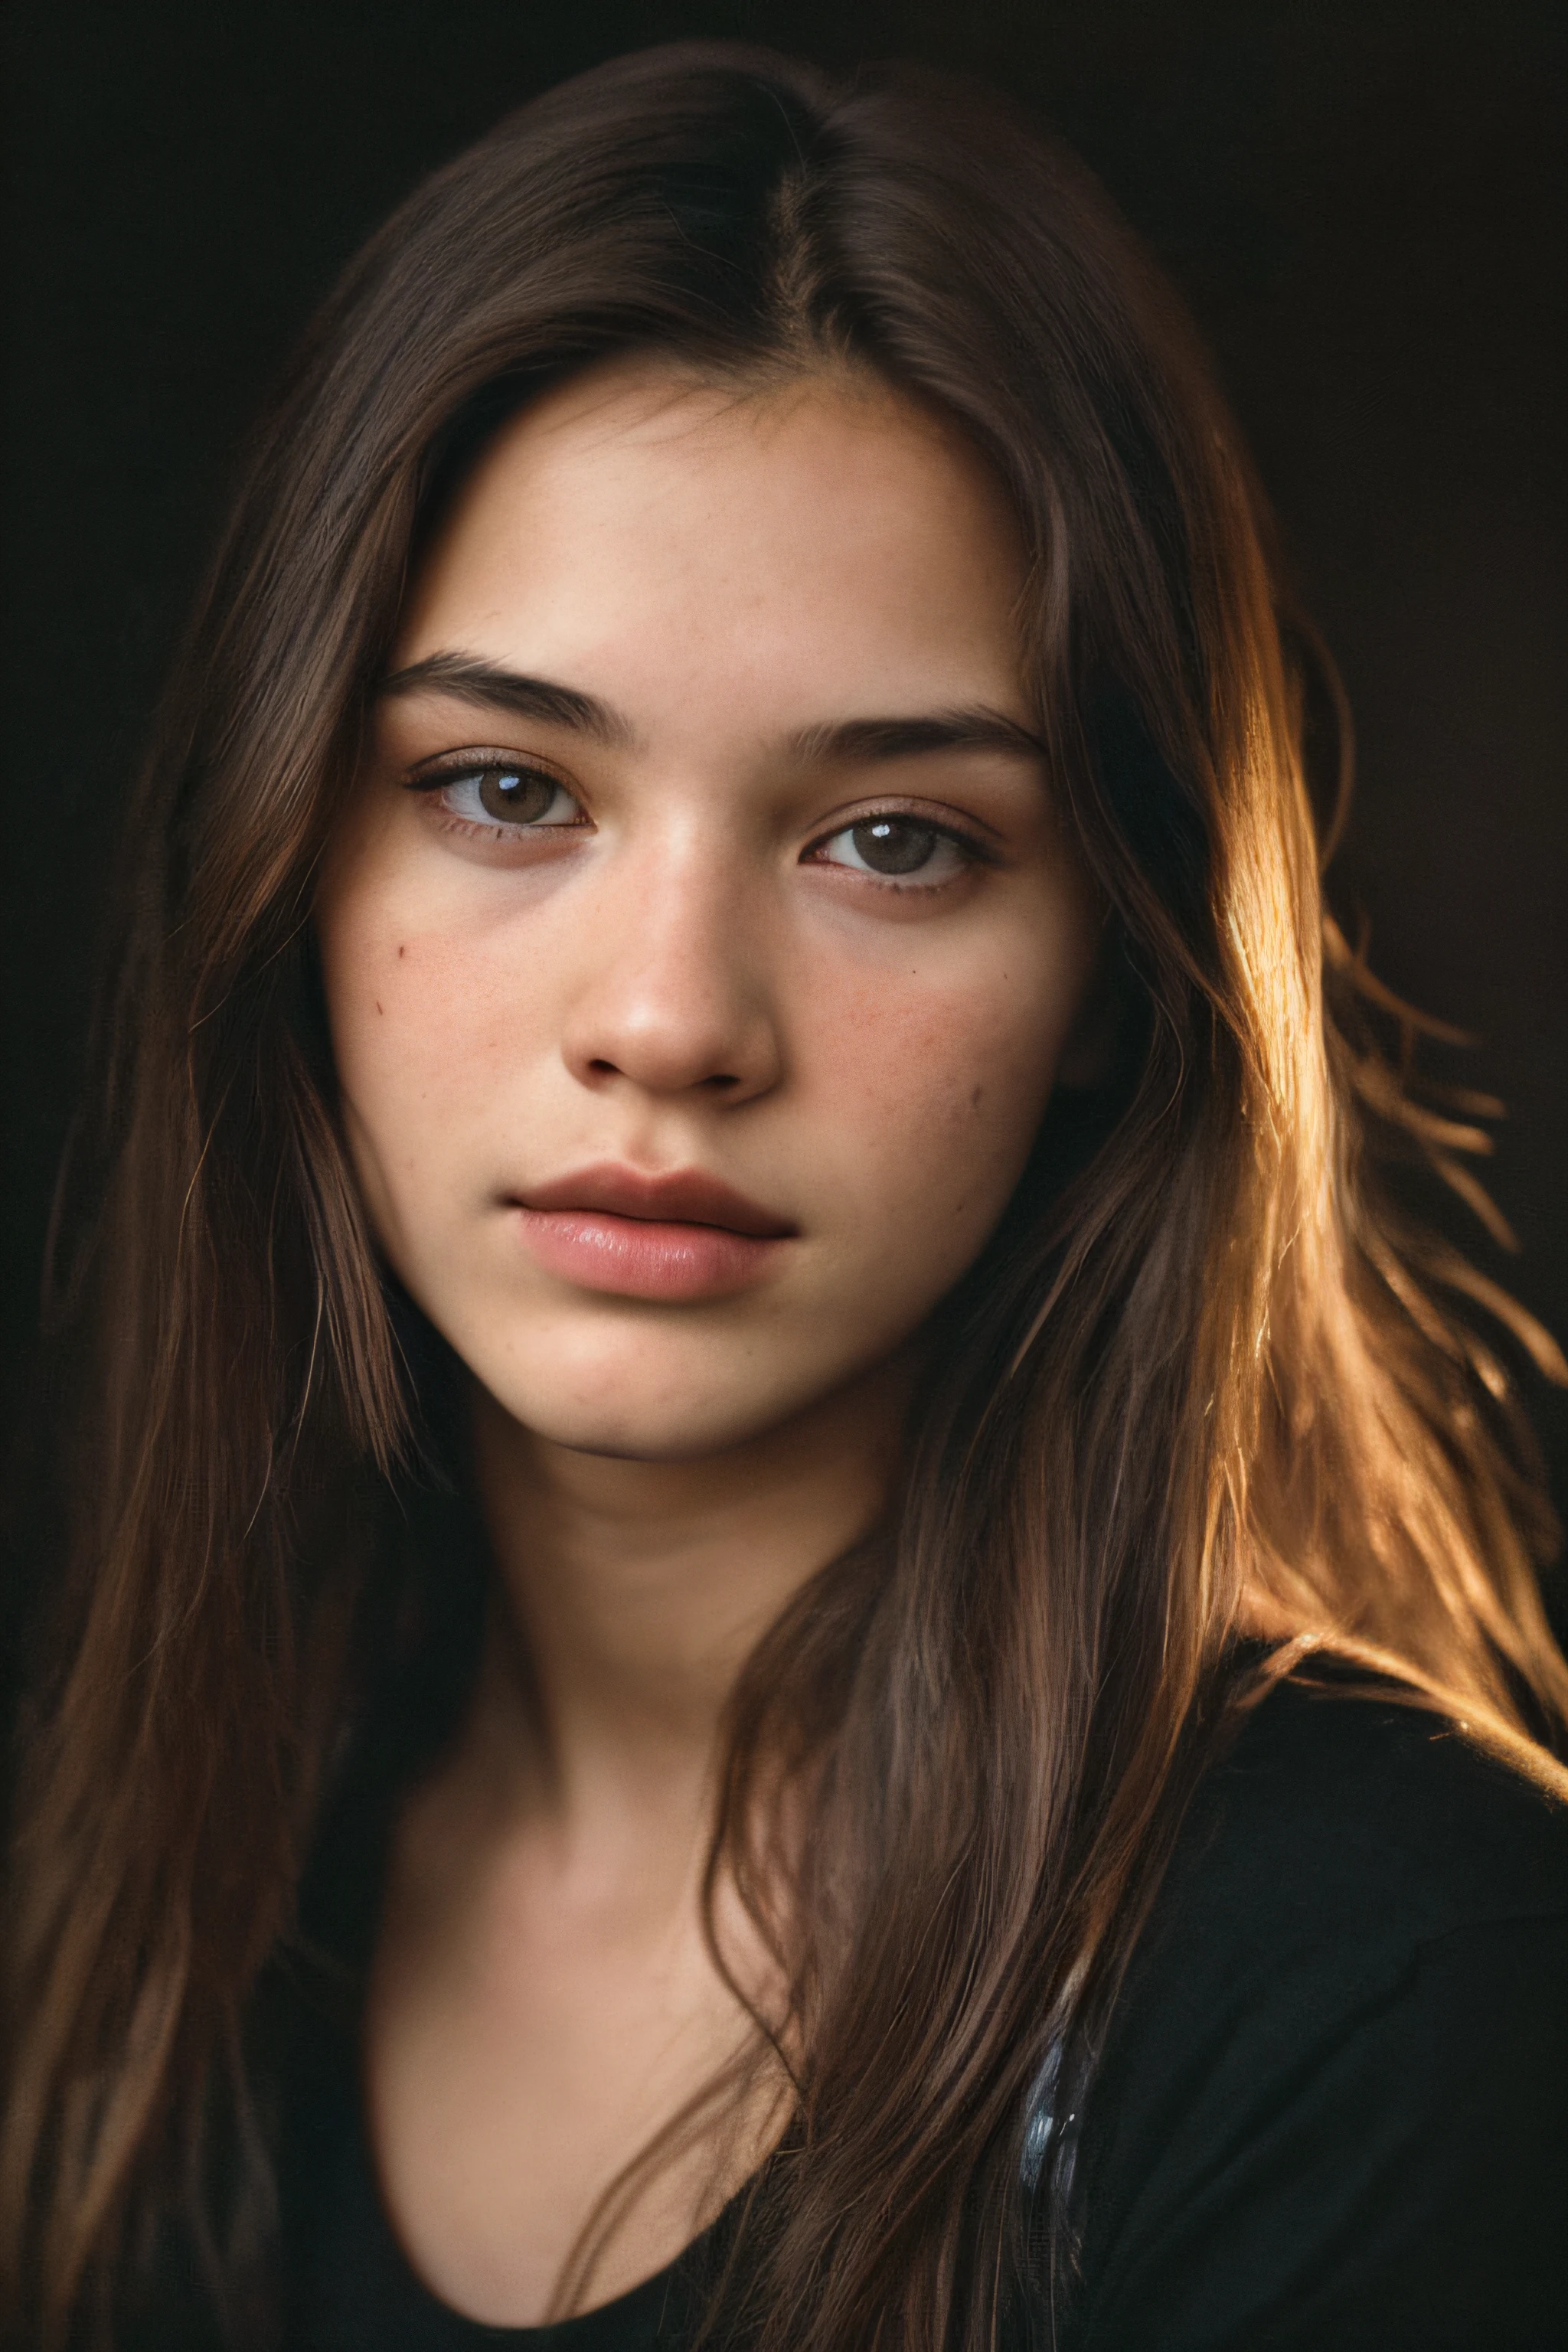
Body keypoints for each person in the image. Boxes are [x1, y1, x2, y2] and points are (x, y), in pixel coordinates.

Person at [2, 40, 1565, 2352]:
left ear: (1119, 983)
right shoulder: (158, 1919)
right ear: (283, 874)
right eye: (507, 786)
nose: (670, 1020)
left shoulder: (1392, 1990)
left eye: (893, 839)